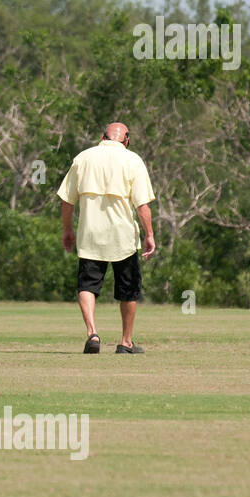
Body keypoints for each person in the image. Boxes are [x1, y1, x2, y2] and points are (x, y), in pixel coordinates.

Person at [57, 122, 156, 354]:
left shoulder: (83, 158)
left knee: (87, 285)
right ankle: (126, 342)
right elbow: (142, 205)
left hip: (90, 234)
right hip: (122, 237)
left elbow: (66, 201)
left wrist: (67, 229)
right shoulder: (133, 161)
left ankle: (92, 333)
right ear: (127, 140)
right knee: (128, 289)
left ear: (102, 137)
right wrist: (150, 234)